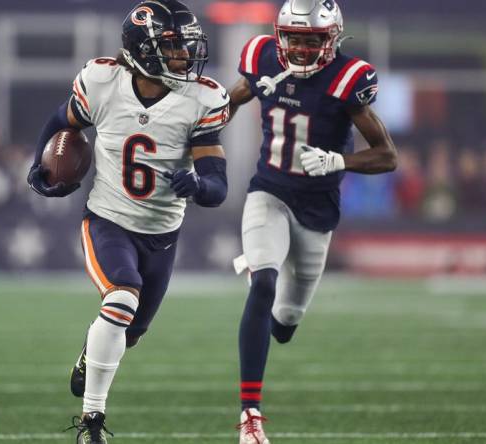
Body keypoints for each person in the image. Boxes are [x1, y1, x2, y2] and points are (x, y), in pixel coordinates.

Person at [26, 1, 229, 442]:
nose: (184, 57)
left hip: (162, 235)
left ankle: (90, 353)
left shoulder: (201, 100)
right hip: (108, 220)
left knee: (129, 331)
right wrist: (42, 169)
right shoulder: (102, 83)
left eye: (186, 46)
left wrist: (198, 185)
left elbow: (218, 185)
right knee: (122, 298)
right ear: (143, 49)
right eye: (173, 47)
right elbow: (61, 121)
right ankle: (91, 423)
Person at [227, 0, 397, 442]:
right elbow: (226, 104)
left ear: (332, 39)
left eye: (312, 40)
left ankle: (262, 275)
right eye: (294, 38)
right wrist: (191, 133)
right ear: (279, 35)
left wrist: (339, 159)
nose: (301, 50)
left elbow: (387, 155)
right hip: (269, 191)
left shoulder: (347, 79)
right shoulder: (262, 58)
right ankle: (250, 416)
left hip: (317, 211)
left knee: (283, 326)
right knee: (264, 284)